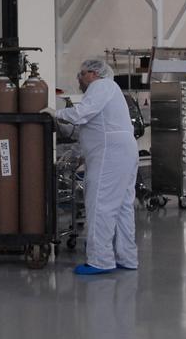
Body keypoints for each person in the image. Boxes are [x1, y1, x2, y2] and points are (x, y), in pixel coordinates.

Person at [47, 58, 138, 275]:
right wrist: (65, 131)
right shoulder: (107, 91)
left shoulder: (102, 86)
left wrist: (55, 113)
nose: (79, 77)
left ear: (95, 74)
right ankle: (127, 258)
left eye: (83, 73)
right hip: (123, 153)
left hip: (110, 155)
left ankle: (100, 261)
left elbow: (81, 114)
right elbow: (88, 129)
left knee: (100, 205)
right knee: (124, 207)